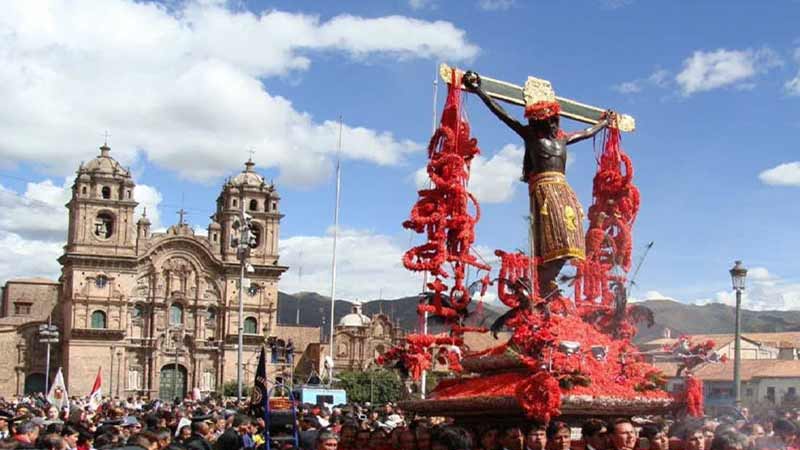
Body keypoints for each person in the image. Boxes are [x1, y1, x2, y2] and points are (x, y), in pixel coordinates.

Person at [462, 70, 613, 298]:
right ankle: (544, 280)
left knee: (572, 239)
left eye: (555, 121)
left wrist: (604, 123)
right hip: (544, 190)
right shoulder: (531, 136)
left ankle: (546, 280)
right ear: (539, 122)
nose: (553, 125)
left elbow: (586, 131)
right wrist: (479, 90)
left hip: (564, 190)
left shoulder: (562, 139)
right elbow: (502, 114)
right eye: (549, 121)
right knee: (556, 239)